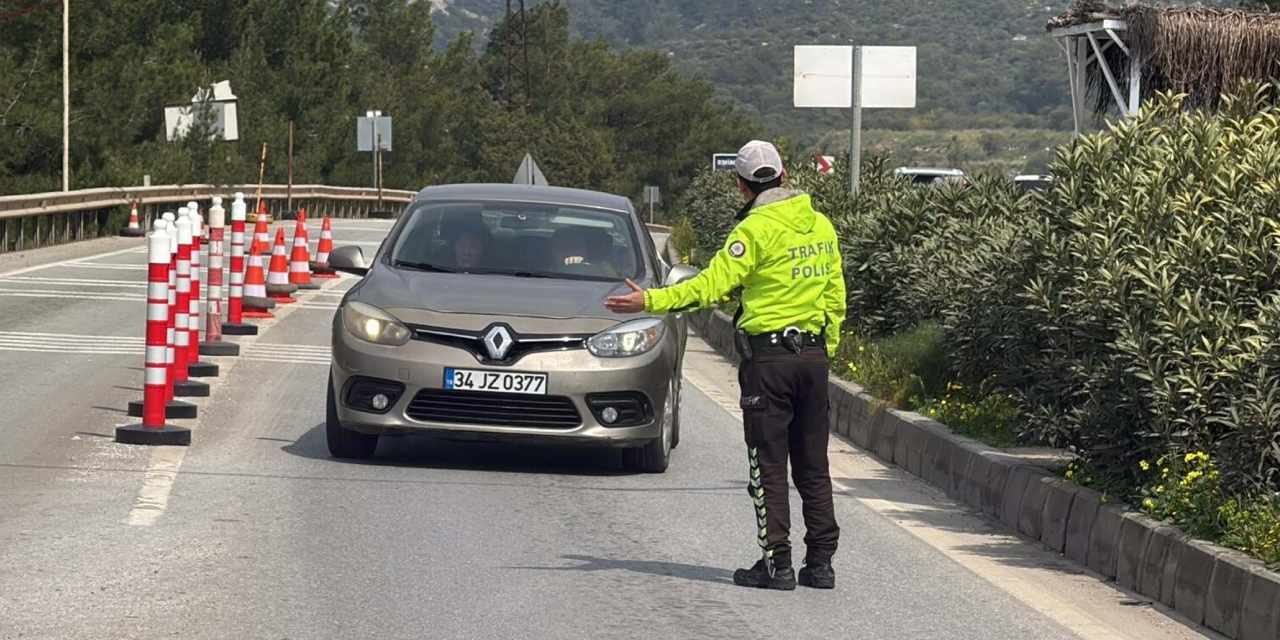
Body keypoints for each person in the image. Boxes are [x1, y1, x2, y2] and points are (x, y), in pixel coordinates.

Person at [605, 140, 846, 591]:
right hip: (813, 359)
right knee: (813, 462)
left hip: (769, 361)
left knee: (768, 462)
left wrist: (650, 300)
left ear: (741, 185)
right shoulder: (821, 226)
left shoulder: (752, 233)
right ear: (785, 175)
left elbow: (709, 288)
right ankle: (821, 564)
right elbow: (835, 295)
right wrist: (824, 348)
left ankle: (777, 564)